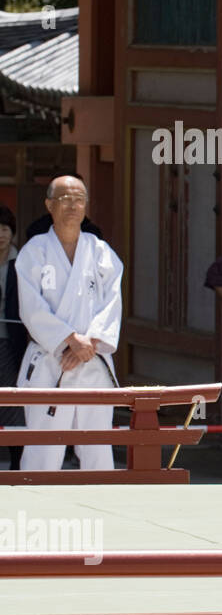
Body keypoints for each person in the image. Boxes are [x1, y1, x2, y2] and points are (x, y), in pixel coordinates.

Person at [15, 175, 123, 472]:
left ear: (86, 206)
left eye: (78, 199)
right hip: (51, 360)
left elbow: (113, 304)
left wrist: (89, 342)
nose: (72, 205)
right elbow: (31, 309)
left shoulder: (100, 252)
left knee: (97, 450)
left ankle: (102, 513)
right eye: (64, 199)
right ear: (49, 204)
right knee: (43, 451)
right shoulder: (34, 252)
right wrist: (69, 339)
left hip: (92, 360)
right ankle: (38, 513)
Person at [0, 206, 27, 469]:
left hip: (11, 340)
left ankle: (17, 460)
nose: (1, 235)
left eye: (5, 229)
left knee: (11, 398)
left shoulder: (23, 263)